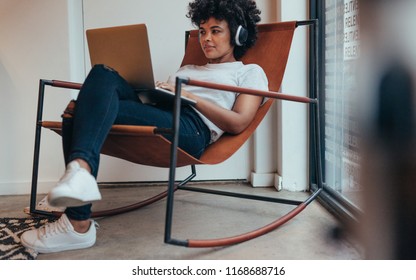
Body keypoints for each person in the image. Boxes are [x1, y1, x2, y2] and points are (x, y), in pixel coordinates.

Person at [21, 0, 268, 254]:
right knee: (101, 74)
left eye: (216, 31)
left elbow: (238, 122)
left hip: (192, 129)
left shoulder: (249, 72)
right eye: (202, 31)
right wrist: (156, 92)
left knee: (78, 110)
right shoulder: (188, 68)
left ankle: (77, 217)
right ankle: (79, 192)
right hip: (163, 114)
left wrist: (189, 96)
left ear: (238, 34)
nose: (206, 38)